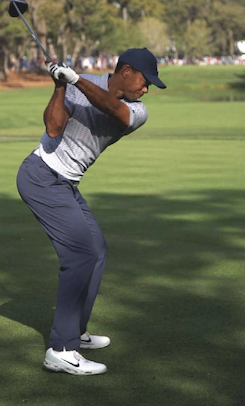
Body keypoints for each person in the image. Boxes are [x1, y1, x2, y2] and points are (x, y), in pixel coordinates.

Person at [16, 48, 166, 376]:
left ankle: (76, 333)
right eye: (145, 80)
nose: (147, 89)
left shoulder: (137, 111)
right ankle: (61, 349)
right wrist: (59, 85)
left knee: (96, 250)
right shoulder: (76, 85)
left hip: (65, 184)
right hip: (41, 175)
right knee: (81, 256)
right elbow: (53, 129)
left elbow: (113, 108)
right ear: (126, 71)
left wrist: (75, 79)